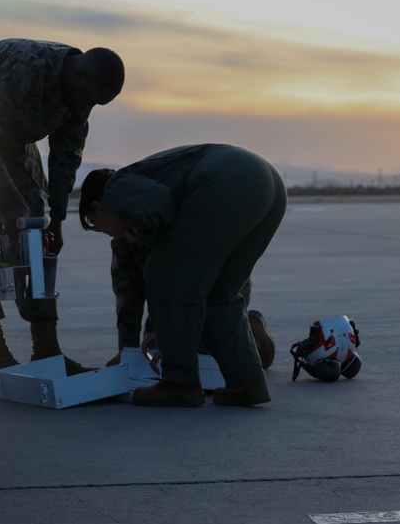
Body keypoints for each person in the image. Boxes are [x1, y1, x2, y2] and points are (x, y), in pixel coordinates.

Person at [0, 38, 125, 392]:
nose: (88, 106)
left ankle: (46, 352)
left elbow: (66, 154)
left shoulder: (81, 90)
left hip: (11, 144)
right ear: (78, 75)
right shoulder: (26, 67)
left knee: (37, 239)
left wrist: (57, 219)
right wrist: (9, 197)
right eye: (90, 98)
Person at [79, 143, 286, 407]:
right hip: (267, 183)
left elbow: (161, 206)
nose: (106, 233)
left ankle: (179, 384)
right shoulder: (143, 184)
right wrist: (138, 347)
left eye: (96, 226)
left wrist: (142, 232)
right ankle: (247, 383)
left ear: (98, 208)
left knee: (164, 275)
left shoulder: (116, 188)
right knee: (219, 293)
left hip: (229, 179)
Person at [107, 234, 275, 370]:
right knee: (153, 354)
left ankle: (253, 335)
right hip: (170, 303)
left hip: (220, 289)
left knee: (209, 356)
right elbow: (127, 295)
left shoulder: (178, 224)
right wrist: (127, 351)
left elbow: (194, 288)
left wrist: (172, 336)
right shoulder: (123, 237)